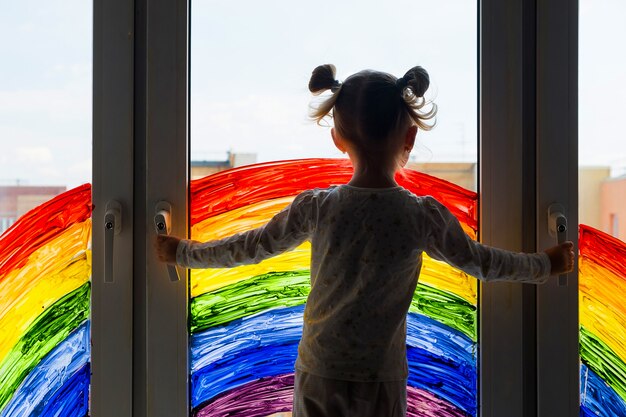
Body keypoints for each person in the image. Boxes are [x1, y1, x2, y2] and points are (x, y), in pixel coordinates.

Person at [155, 64, 575, 417]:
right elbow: (481, 261)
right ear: (409, 137)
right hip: (381, 379)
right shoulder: (419, 215)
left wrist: (182, 252)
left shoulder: (318, 208)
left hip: (320, 370)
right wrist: (547, 264)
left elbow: (249, 247)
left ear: (337, 138)